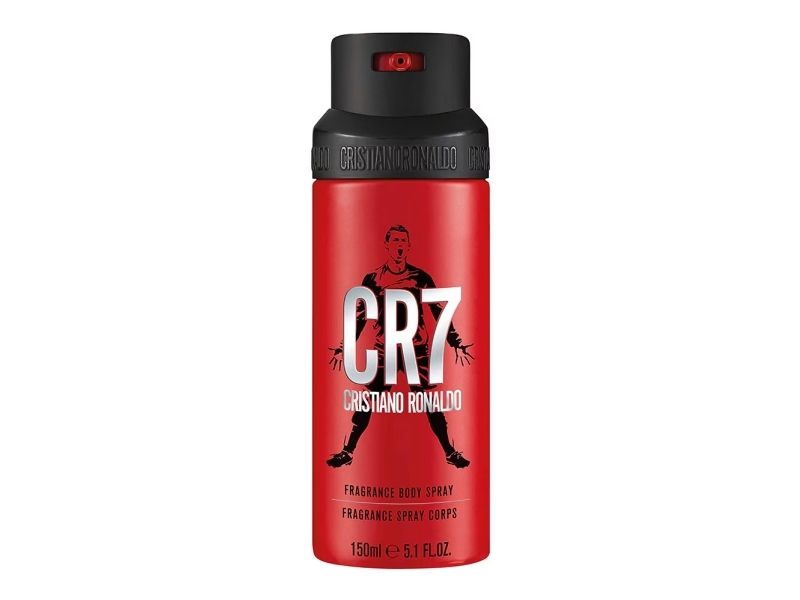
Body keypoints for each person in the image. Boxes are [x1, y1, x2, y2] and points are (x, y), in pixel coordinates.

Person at [326, 225, 474, 469]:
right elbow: (359, 316)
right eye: (395, 240)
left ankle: (450, 452)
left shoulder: (420, 277)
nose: (399, 246)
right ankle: (348, 451)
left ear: (409, 246)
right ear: (386, 245)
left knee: (430, 402)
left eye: (403, 241)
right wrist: (344, 346)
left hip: (416, 350)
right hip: (385, 350)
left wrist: (455, 341)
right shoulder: (373, 279)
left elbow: (439, 310)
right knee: (367, 400)